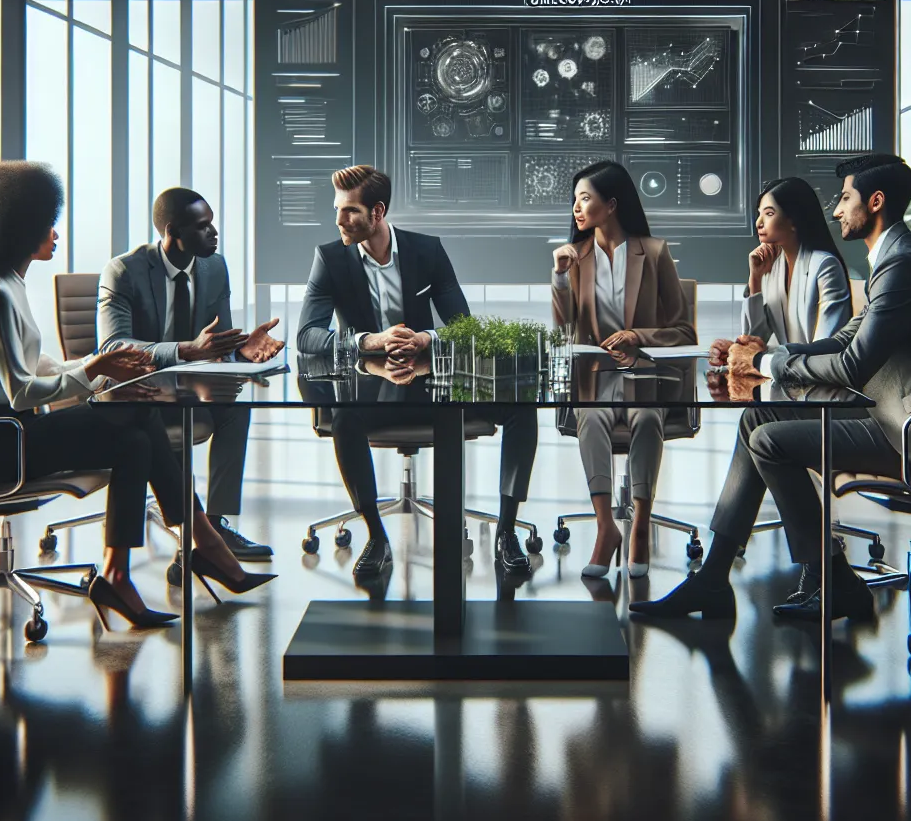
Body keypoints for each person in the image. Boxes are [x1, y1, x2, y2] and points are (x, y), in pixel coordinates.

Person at [632, 153, 911, 623]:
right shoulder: (893, 260)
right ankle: (714, 579)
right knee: (757, 417)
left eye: (845, 198)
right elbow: (842, 340)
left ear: (875, 202)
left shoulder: (901, 265)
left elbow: (852, 365)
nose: (837, 210)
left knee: (770, 441)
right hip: (892, 414)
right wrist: (768, 357)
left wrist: (765, 361)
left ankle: (833, 577)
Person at [0, 162, 272, 632]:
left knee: (133, 441)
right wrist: (95, 369)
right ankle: (205, 543)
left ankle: (119, 574)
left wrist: (96, 370)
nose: (55, 234)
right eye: (46, 226)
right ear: (19, 231)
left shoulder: (6, 286)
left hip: (6, 432)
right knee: (138, 422)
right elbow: (21, 392)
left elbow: (38, 365)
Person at [297, 164, 540, 581]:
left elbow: (463, 326)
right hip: (370, 390)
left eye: (349, 211)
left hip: (434, 388)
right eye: (337, 209)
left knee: (520, 404)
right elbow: (307, 336)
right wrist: (370, 341)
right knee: (345, 419)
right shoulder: (330, 258)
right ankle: (376, 535)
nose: (339, 219)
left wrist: (427, 338)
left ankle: (506, 531)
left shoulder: (426, 251)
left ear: (377, 212)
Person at [97, 187, 285, 562]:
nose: (213, 233)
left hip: (189, 387)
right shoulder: (124, 271)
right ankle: (195, 533)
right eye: (202, 226)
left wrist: (241, 351)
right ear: (173, 232)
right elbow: (113, 346)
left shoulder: (215, 268)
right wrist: (184, 350)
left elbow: (217, 344)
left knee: (235, 410)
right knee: (173, 421)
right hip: (138, 391)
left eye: (211, 223)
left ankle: (214, 527)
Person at [705, 177, 853, 603]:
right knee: (755, 422)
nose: (759, 222)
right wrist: (754, 280)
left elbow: (828, 347)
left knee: (758, 428)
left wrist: (754, 355)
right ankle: (719, 575)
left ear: (795, 219)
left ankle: (720, 575)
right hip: (792, 389)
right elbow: (755, 336)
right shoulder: (771, 268)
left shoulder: (823, 265)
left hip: (828, 398)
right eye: (758, 214)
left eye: (768, 213)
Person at [551, 160, 695, 580]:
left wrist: (637, 336)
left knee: (647, 418)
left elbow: (684, 332)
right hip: (594, 379)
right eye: (575, 200)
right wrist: (559, 278)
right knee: (591, 418)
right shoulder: (575, 258)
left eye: (585, 199)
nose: (577, 208)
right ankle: (606, 528)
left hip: (645, 377)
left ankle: (641, 525)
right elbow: (563, 330)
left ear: (611, 205)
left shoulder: (654, 253)